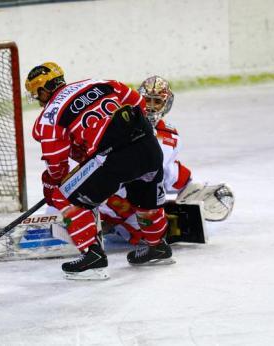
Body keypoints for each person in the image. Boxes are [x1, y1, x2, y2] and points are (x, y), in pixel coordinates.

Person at [25, 62, 174, 280]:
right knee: (144, 198)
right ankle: (157, 247)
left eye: (37, 95)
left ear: (43, 89)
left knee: (64, 196)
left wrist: (54, 182)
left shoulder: (49, 116)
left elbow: (56, 164)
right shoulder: (99, 83)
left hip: (114, 158)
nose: (38, 101)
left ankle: (93, 258)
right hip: (150, 148)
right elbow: (138, 102)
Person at [99, 76, 234, 244]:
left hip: (138, 198)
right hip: (109, 192)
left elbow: (166, 169)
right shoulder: (120, 122)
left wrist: (191, 187)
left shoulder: (169, 135)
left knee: (151, 227)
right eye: (147, 100)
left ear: (166, 104)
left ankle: (113, 223)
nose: (151, 106)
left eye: (157, 102)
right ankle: (103, 218)